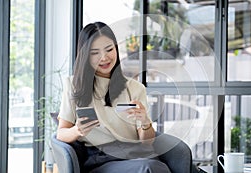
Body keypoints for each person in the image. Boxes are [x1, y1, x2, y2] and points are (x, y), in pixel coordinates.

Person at [56, 21, 171, 173]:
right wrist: (77, 130)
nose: (104, 57)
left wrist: (144, 122)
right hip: (101, 159)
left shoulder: (135, 88)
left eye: (109, 49)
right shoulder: (73, 85)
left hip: (137, 155)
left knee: (153, 167)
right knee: (150, 168)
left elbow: (146, 143)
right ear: (85, 55)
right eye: (95, 52)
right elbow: (61, 133)